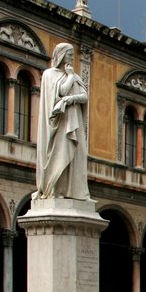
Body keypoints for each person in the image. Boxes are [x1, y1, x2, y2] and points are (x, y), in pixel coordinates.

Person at [35, 42, 90, 200]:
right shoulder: (49, 74)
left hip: (73, 122)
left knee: (74, 155)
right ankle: (56, 190)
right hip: (59, 124)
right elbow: (61, 91)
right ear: (60, 55)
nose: (72, 58)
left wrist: (70, 99)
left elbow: (85, 97)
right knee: (60, 154)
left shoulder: (75, 76)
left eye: (73, 55)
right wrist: (71, 76)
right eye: (69, 54)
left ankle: (70, 191)